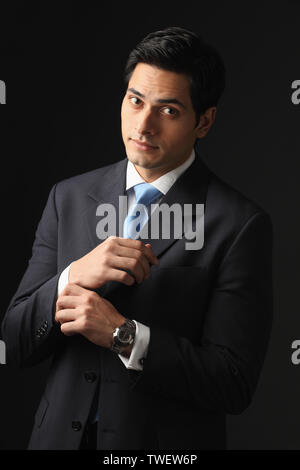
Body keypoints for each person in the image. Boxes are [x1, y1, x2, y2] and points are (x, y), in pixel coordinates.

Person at [2, 26, 273, 450]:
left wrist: (124, 335)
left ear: (204, 121)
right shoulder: (67, 197)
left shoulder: (240, 224)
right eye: (135, 101)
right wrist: (72, 276)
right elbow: (16, 341)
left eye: (168, 110)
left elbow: (233, 383)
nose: (143, 125)